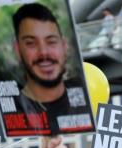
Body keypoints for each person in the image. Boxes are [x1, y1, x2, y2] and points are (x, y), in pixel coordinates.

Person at [12, 3, 92, 135]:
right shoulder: (15, 107)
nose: (44, 53)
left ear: (64, 46)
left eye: (51, 41)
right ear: (17, 50)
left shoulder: (81, 97)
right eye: (31, 43)